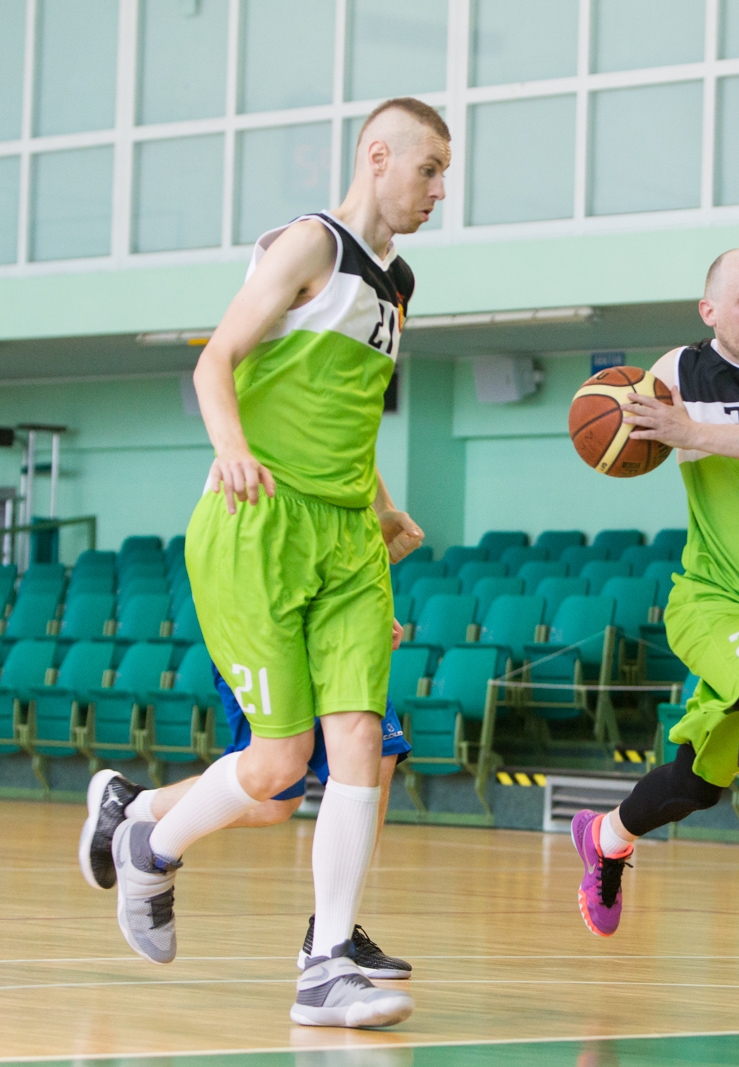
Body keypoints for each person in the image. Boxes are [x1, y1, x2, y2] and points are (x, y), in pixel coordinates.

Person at [100, 97, 444, 1029]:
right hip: (256, 521)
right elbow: (218, 362)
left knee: (361, 741)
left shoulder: (398, 282)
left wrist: (379, 505)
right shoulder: (309, 245)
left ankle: (326, 962)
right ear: (379, 156)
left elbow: (343, 408)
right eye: (428, 170)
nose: (438, 192)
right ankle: (148, 844)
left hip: (344, 535)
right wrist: (233, 447)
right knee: (278, 765)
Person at [568, 249, 739, 949]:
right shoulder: (673, 375)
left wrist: (694, 432)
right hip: (712, 597)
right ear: (709, 310)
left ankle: (606, 837)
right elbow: (608, 429)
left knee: (697, 783)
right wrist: (610, 434)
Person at [78, 618, 415, 980]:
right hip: (265, 620)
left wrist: (366, 597)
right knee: (273, 774)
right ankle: (146, 838)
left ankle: (333, 934)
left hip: (328, 623)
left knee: (331, 772)